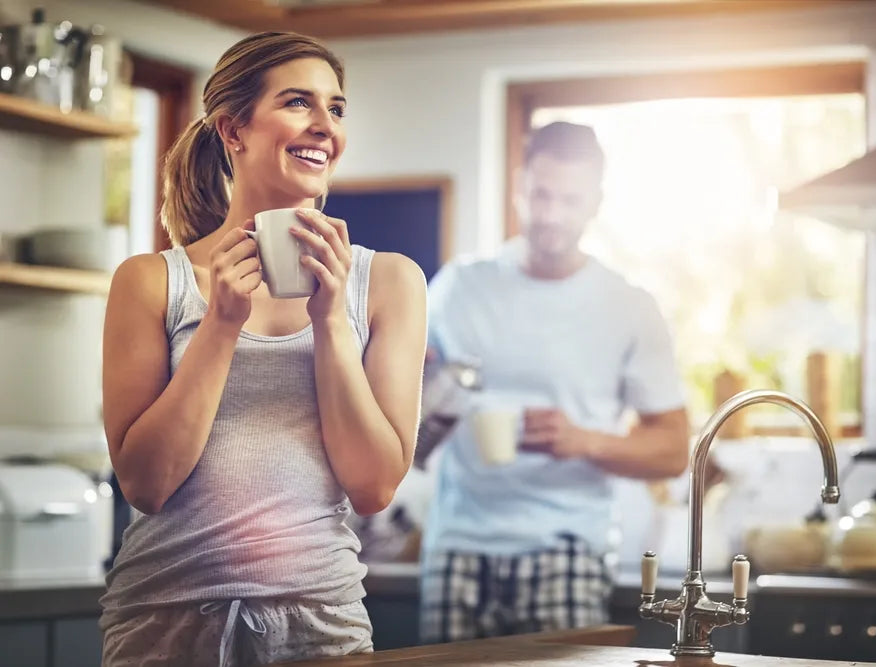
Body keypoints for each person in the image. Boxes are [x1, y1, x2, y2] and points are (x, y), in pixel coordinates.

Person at [99, 32, 427, 667]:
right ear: (232, 130)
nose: (323, 125)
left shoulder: (388, 282)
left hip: (320, 625)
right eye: (298, 102)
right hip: (163, 624)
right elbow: (145, 483)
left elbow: (373, 484)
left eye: (335, 108)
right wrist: (221, 325)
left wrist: (331, 320)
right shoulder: (149, 282)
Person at [418, 121, 690, 643]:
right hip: (457, 542)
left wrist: (583, 440)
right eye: (540, 195)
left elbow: (674, 450)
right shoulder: (459, 287)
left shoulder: (629, 307)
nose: (550, 215)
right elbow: (409, 412)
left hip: (567, 544)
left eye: (570, 200)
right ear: (520, 185)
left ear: (596, 202)